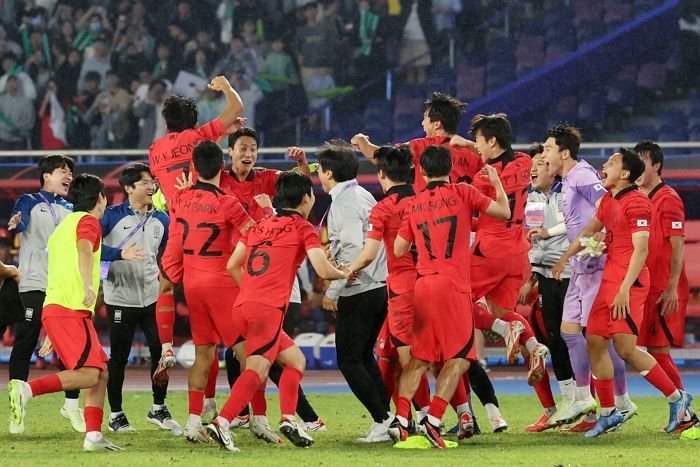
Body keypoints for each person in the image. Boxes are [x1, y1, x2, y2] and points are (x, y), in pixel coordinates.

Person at [206, 171, 349, 452]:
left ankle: (287, 418)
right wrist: (343, 272)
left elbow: (233, 265)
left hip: (243, 304)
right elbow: (321, 269)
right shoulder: (303, 228)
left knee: (296, 361)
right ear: (307, 198)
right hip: (267, 309)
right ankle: (222, 422)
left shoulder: (258, 225)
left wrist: (250, 291)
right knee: (257, 370)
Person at [555, 148, 692, 437]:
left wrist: (624, 290)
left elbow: (641, 250)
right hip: (610, 282)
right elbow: (590, 232)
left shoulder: (638, 203)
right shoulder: (607, 200)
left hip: (630, 285)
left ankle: (679, 400)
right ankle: (608, 413)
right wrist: (565, 258)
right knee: (593, 340)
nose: (603, 166)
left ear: (625, 174)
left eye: (611, 163)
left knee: (626, 349)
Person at [388, 145, 510, 447]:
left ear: (422, 172)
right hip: (453, 286)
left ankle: (402, 420)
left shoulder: (414, 203)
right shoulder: (463, 192)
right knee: (460, 359)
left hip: (423, 285)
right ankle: (434, 420)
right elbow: (504, 212)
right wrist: (496, 182)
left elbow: (400, 250)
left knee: (418, 359)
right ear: (450, 169)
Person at [8, 174, 123, 452]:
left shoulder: (62, 228)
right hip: (70, 309)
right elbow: (85, 250)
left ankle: (93, 437)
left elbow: (59, 269)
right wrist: (87, 285)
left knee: (102, 372)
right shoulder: (87, 222)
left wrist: (51, 327)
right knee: (90, 374)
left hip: (59, 309)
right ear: (100, 199)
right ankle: (27, 390)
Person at [148, 75, 243, 385]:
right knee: (218, 292)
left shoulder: (154, 150)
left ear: (166, 126)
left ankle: (166, 348)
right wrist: (226, 88)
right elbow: (236, 107)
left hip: (177, 222)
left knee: (165, 285)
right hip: (206, 220)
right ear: (193, 123)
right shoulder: (198, 138)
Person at [164, 141, 260, 443]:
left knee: (204, 354)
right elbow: (254, 233)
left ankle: (193, 423)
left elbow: (175, 212)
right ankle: (249, 418)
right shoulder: (228, 202)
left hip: (191, 285)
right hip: (221, 283)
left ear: (194, 168)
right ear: (222, 168)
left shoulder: (180, 197)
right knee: (250, 353)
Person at [546, 125, 635, 431]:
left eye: (548, 149)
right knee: (571, 332)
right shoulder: (568, 179)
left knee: (601, 341)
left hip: (595, 266)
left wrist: (601, 242)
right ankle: (588, 399)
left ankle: (619, 402)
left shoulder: (582, 175)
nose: (545, 155)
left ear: (564, 152)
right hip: (580, 267)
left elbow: (608, 204)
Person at [462, 114, 550, 387]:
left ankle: (503, 330)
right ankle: (534, 346)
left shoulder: (482, 178)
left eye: (478, 140)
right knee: (500, 309)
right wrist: (465, 144)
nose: (476, 146)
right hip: (517, 252)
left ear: (491, 140)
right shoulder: (524, 162)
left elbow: (472, 216)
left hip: (489, 251)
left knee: (459, 304)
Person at [346, 145, 431, 419]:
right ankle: (457, 414)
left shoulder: (382, 209)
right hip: (433, 283)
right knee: (438, 355)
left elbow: (369, 255)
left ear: (381, 174)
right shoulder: (426, 200)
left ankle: (424, 419)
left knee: (409, 360)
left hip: (404, 289)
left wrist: (347, 269)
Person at [317, 143, 391, 443]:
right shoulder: (362, 194)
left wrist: (333, 290)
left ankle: (382, 419)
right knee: (363, 356)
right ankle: (388, 418)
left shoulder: (345, 203)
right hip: (379, 286)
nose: (318, 175)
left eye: (319, 170)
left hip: (360, 289)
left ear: (330, 173)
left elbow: (351, 251)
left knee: (349, 359)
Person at [99, 164, 181, 433]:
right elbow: (91, 248)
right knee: (119, 358)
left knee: (161, 355)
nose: (151, 186)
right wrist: (117, 257)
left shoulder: (163, 219)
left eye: (152, 181)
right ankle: (116, 415)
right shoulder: (110, 216)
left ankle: (158, 409)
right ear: (129, 188)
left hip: (152, 297)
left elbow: (168, 255)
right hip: (120, 298)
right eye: (144, 182)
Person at [7, 155, 83, 434]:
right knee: (25, 345)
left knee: (69, 349)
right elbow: (20, 219)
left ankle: (72, 407)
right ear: (46, 176)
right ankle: (17, 410)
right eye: (63, 171)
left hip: (61, 288)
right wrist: (17, 221)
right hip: (33, 284)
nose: (68, 177)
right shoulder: (29, 200)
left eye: (70, 173)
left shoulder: (71, 209)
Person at [635, 140, 697, 431]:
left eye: (642, 161)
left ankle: (685, 413)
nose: (636, 167)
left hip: (663, 288)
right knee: (645, 349)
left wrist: (672, 287)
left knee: (658, 350)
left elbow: (678, 244)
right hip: (644, 287)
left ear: (656, 165)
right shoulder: (637, 196)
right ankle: (682, 411)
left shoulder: (668, 198)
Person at [519, 148, 576, 432]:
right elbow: (535, 238)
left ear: (554, 168)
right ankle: (569, 402)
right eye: (532, 165)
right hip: (545, 275)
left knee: (569, 340)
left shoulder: (565, 193)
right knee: (552, 339)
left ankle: (589, 402)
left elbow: (573, 224)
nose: (534, 169)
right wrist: (532, 276)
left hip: (565, 274)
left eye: (541, 164)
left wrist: (548, 234)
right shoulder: (533, 197)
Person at [352, 92, 483, 192]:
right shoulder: (475, 152)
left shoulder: (423, 147)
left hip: (428, 221)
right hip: (465, 222)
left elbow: (382, 157)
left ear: (437, 124)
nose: (422, 123)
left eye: (425, 118)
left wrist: (362, 140)